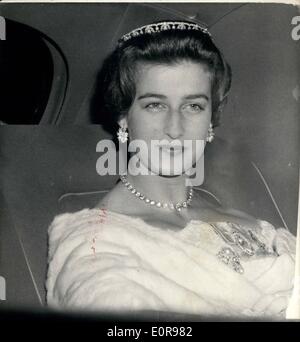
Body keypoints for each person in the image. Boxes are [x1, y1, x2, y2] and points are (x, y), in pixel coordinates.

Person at [46, 21, 296, 319]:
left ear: (211, 121)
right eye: (155, 105)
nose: (175, 129)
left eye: (193, 106)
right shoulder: (95, 242)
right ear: (124, 117)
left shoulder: (247, 221)